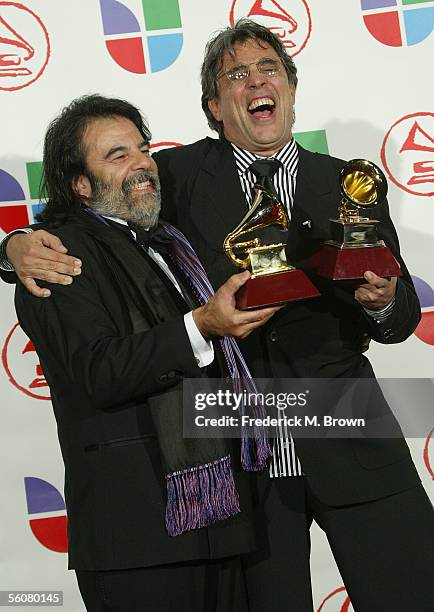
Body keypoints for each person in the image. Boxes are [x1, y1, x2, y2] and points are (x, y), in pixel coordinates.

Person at [2, 19, 434, 612]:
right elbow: (82, 216)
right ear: (215, 105)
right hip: (235, 448)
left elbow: (403, 315)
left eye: (269, 69)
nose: (257, 80)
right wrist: (13, 248)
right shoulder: (171, 177)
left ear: (290, 88)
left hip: (346, 421)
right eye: (238, 74)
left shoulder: (347, 182)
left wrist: (384, 303)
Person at [9, 94, 283, 612]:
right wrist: (202, 325)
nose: (141, 164)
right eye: (117, 156)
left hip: (218, 522)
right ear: (80, 185)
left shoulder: (166, 242)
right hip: (138, 535)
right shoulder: (56, 254)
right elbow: (98, 371)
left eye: (142, 148)